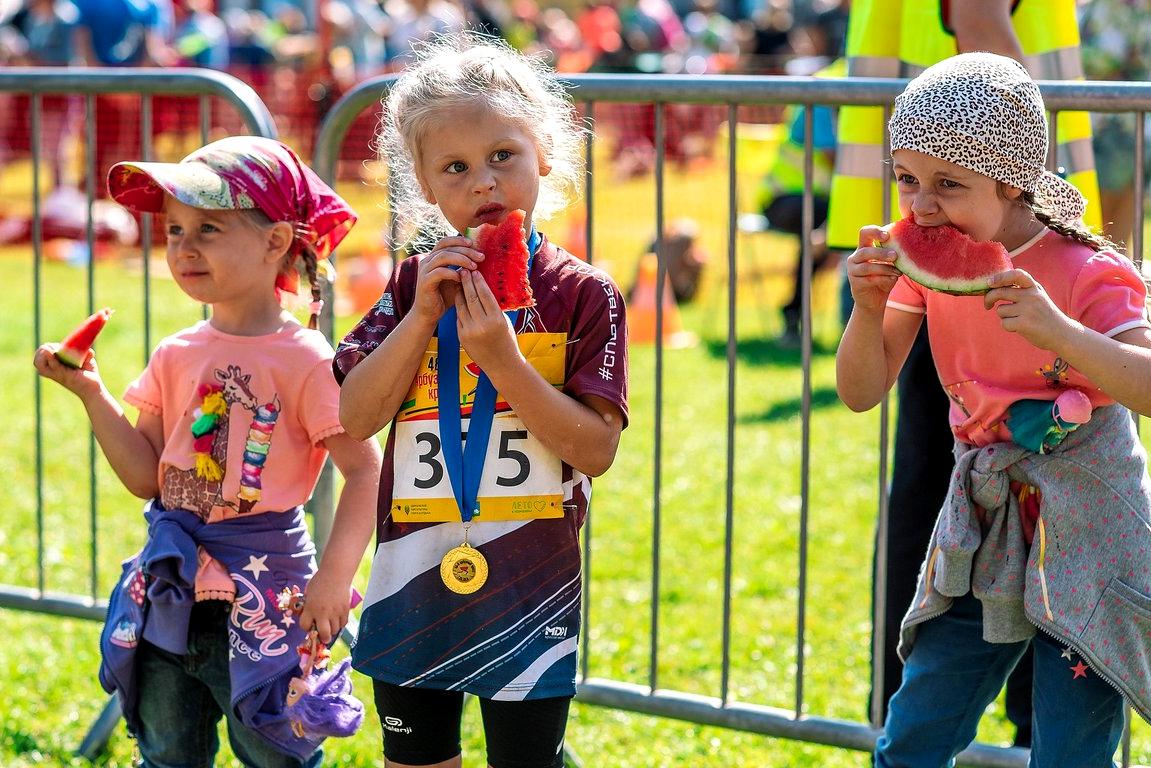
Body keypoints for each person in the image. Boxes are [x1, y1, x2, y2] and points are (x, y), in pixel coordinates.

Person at [835, 52, 1151, 766]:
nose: (919, 207)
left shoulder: (1088, 271)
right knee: (913, 733)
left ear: (1011, 181)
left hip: (1087, 532)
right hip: (982, 523)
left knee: (1068, 751)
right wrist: (865, 309)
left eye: (947, 185)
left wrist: (1060, 335)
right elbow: (859, 391)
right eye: (906, 179)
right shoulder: (925, 264)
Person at [33, 136, 383, 767]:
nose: (183, 247)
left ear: (276, 241)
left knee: (275, 753)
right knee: (167, 751)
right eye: (173, 230)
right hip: (170, 590)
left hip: (269, 595)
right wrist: (91, 393)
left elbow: (365, 470)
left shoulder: (305, 359)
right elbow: (147, 477)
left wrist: (334, 581)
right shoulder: (176, 352)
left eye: (209, 228)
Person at [334, 33, 629, 768]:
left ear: (545, 154)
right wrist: (420, 321)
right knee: (416, 758)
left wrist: (501, 357)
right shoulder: (410, 285)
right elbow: (356, 416)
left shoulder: (584, 293)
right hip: (412, 575)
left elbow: (594, 449)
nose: (483, 183)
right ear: (427, 189)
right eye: (455, 168)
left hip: (532, 581)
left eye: (503, 155)